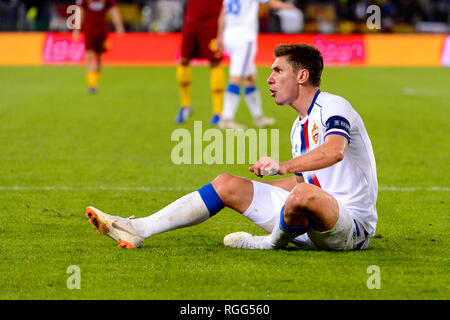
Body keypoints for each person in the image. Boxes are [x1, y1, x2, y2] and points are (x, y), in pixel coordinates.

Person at [86, 44, 378, 252]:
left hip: (351, 226)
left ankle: (267, 243)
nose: (269, 78)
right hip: (310, 219)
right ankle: (139, 229)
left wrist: (284, 165)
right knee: (228, 184)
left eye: (278, 70)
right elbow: (301, 183)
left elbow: (335, 150)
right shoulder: (297, 125)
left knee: (302, 194)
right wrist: (260, 186)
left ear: (302, 76)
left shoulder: (334, 105)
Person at [216, 0, 295, 129]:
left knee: (250, 77)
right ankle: (226, 119)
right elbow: (270, 2)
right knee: (237, 77)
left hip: (229, 35)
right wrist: (286, 6)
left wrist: (219, 36)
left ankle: (258, 117)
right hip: (244, 37)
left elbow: (223, 13)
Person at [175, 0, 225, 125]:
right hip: (193, 17)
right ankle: (185, 106)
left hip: (212, 18)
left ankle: (218, 113)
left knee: (214, 62)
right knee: (184, 59)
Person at [73, 0, 124, 94]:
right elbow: (80, 12)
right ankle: (92, 85)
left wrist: (119, 26)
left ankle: (95, 81)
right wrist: (76, 29)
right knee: (89, 56)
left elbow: (114, 11)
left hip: (102, 30)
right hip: (89, 30)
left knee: (99, 57)